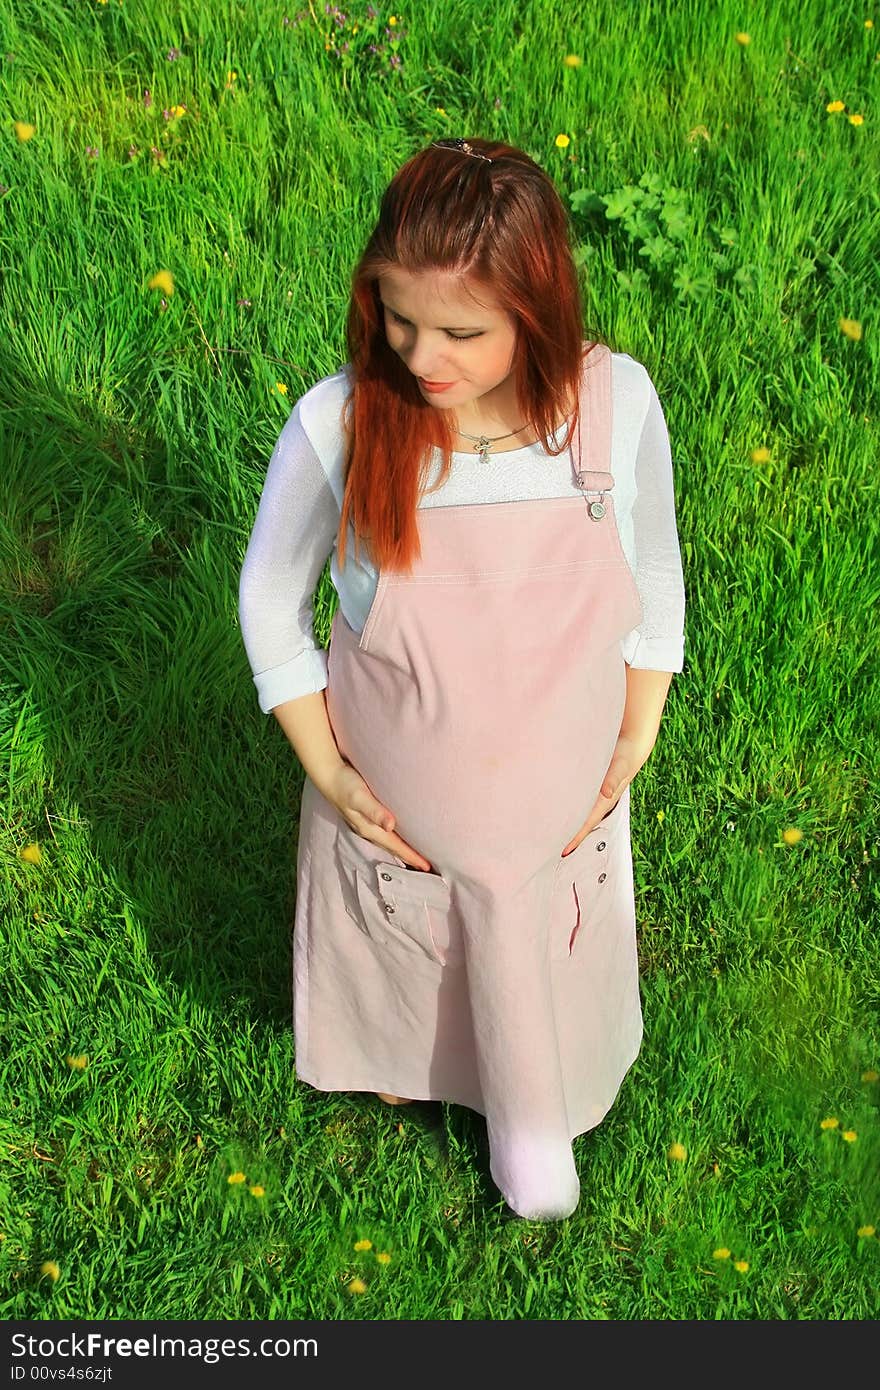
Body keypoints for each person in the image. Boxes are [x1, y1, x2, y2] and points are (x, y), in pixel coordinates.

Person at [238, 137, 686, 1221]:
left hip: (559, 802)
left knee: (537, 922)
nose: (420, 355)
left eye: (462, 332)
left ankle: (533, 1104)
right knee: (420, 937)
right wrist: (332, 776)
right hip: (402, 801)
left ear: (535, 310)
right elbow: (267, 599)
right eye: (397, 319)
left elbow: (656, 574)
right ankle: (422, 1064)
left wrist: (634, 735)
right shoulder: (343, 422)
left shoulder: (612, 407)